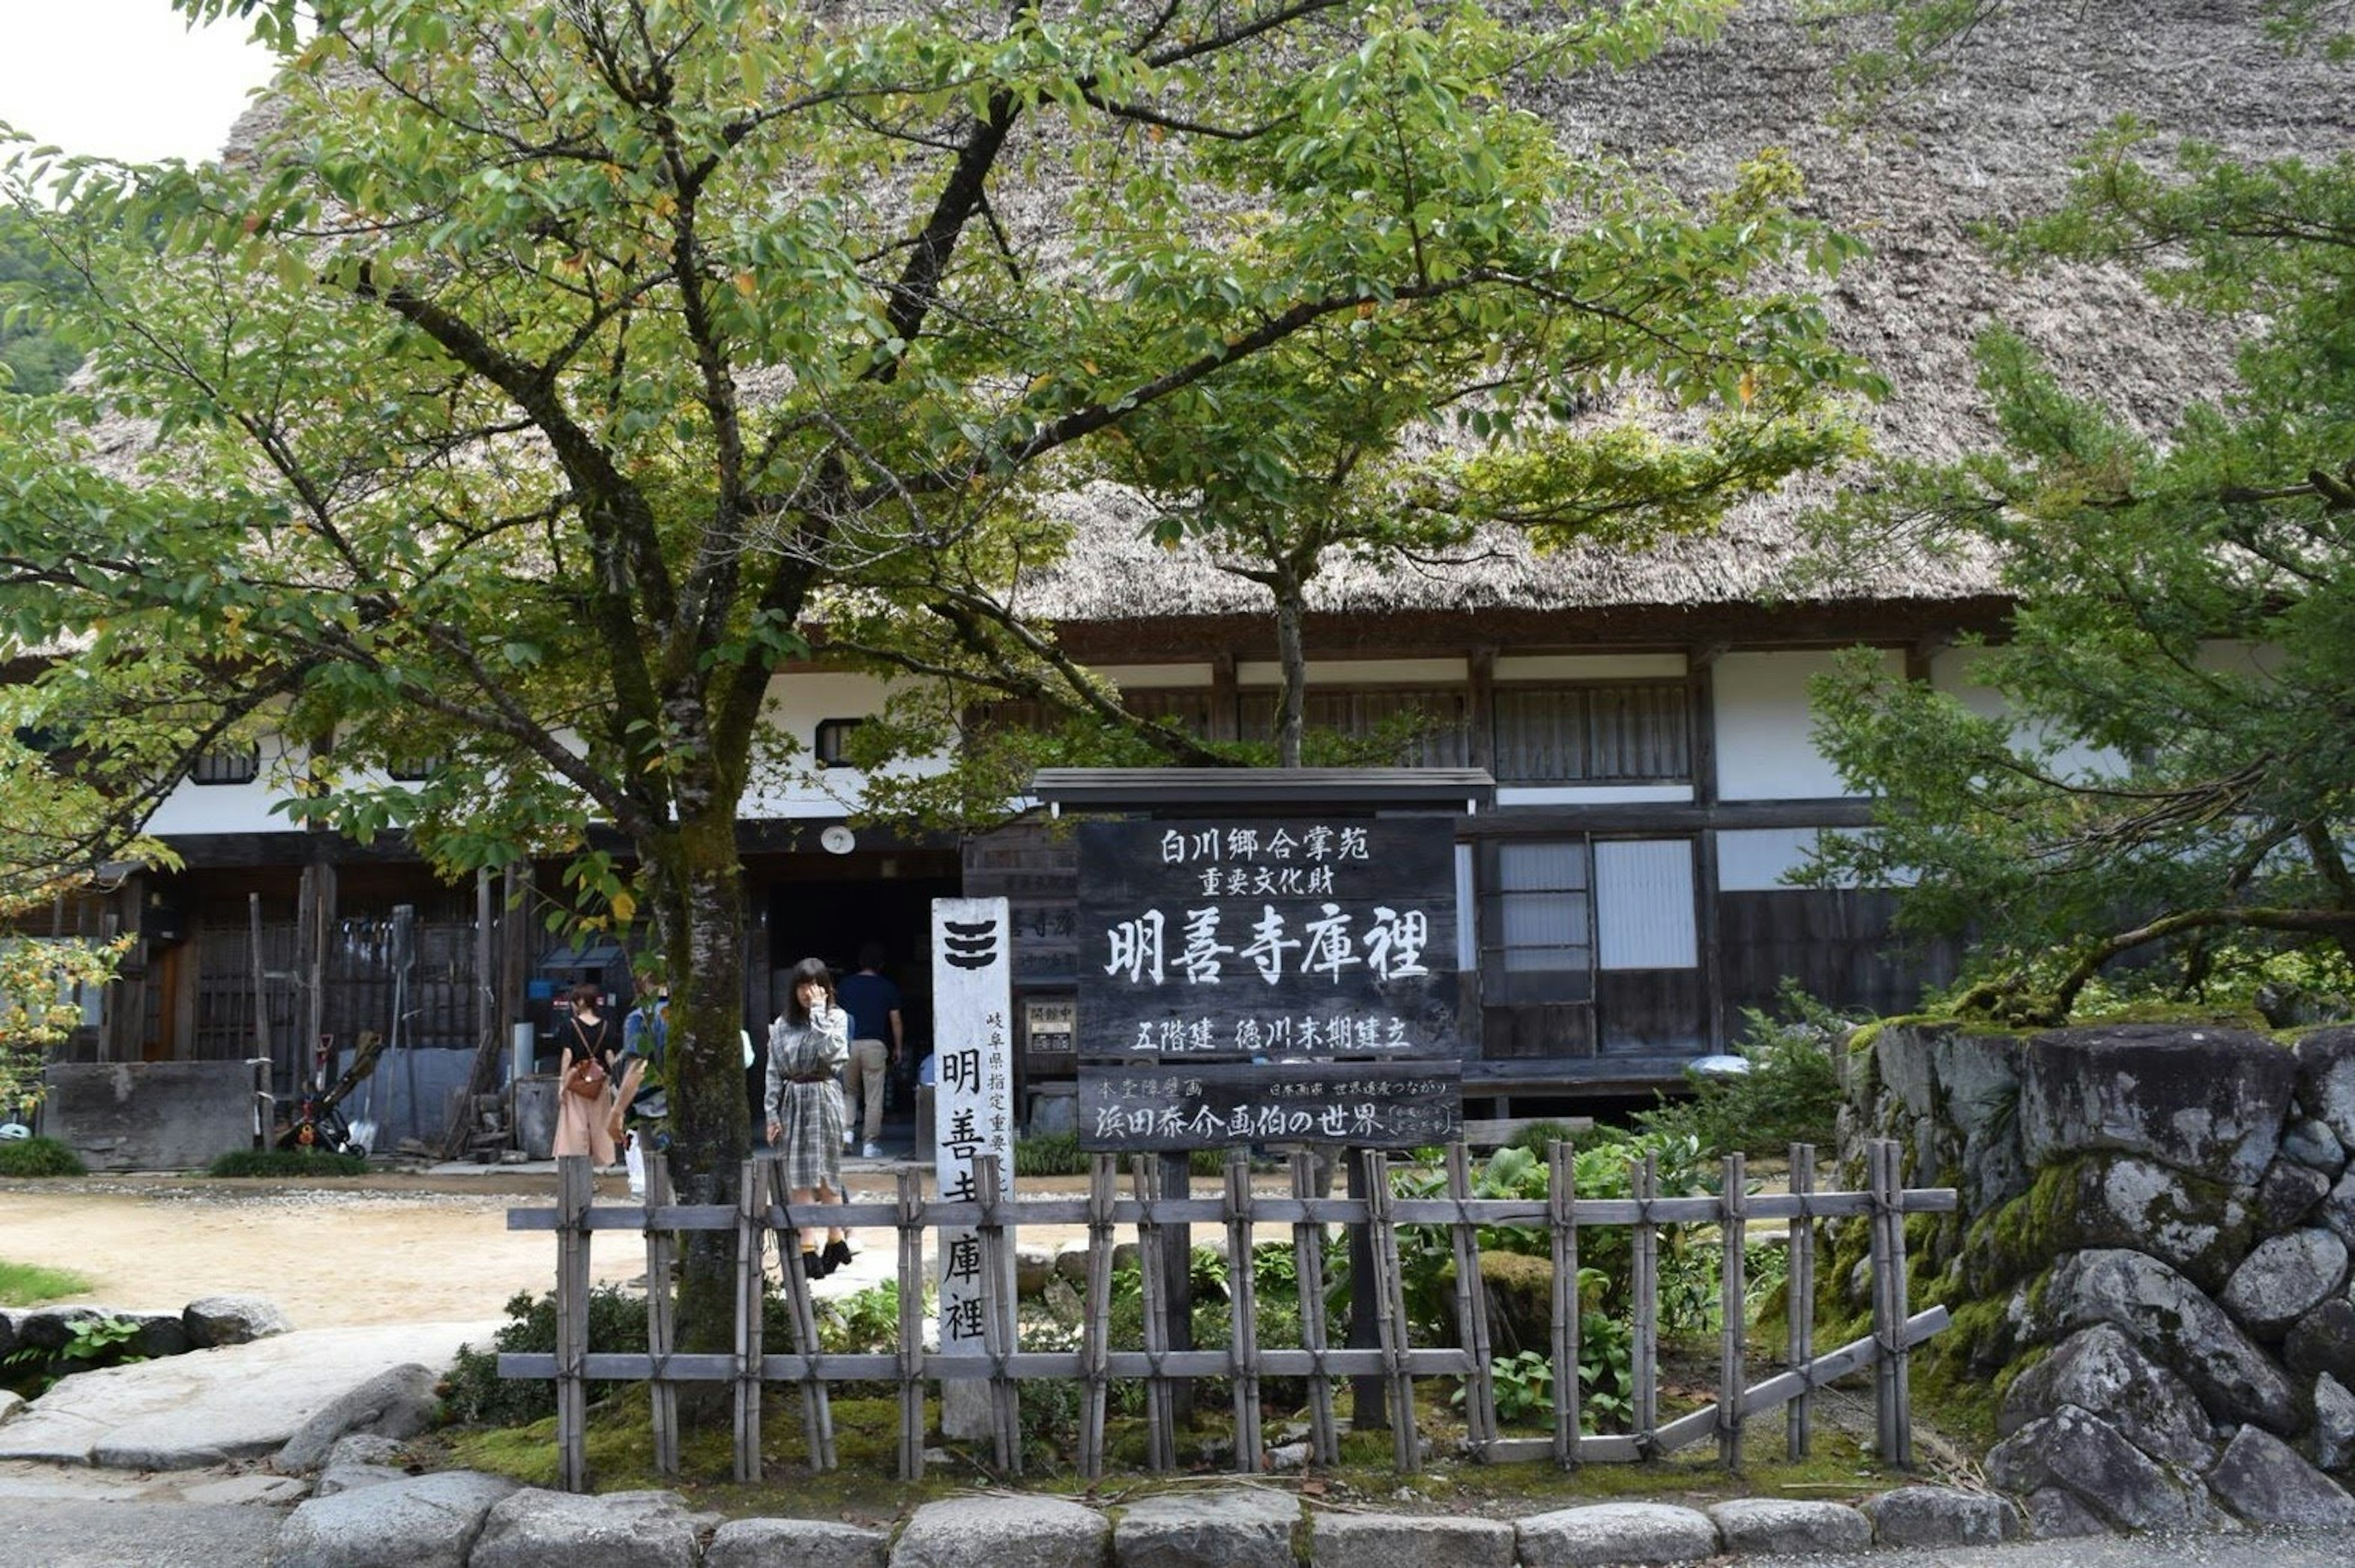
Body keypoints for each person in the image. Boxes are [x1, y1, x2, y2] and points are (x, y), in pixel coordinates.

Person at [763, 957, 853, 1279]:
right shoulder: (782, 1025)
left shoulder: (836, 1018)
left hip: (824, 1096)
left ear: (826, 988)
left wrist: (818, 1013)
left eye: (815, 986)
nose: (808, 993)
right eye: (802, 986)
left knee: (828, 1171)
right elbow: (774, 1071)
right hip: (793, 1099)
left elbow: (834, 1055)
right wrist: (771, 1113)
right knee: (797, 1174)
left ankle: (836, 1237)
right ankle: (806, 1245)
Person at [833, 941, 903, 1159]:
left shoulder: (845, 985)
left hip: (849, 1044)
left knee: (849, 1092)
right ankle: (870, 1145)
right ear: (881, 965)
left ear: (860, 962)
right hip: (875, 1046)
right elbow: (896, 1021)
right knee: (874, 1097)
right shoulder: (887, 987)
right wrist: (898, 1048)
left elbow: (835, 1016)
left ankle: (846, 1135)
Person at [553, 982, 621, 1165]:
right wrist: (616, 1079)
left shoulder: (570, 1025)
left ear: (581, 1002)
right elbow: (609, 1055)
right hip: (600, 1079)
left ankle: (576, 1160)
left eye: (574, 1001)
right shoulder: (607, 1026)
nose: (573, 1006)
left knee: (575, 1123)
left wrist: (562, 1082)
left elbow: (568, 1055)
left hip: (576, 1079)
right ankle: (605, 1158)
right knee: (601, 1122)